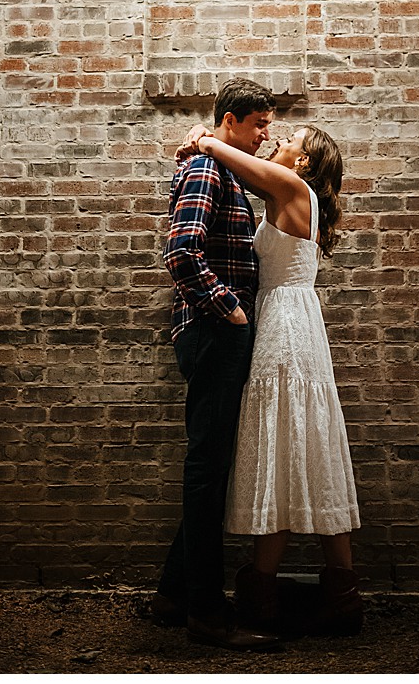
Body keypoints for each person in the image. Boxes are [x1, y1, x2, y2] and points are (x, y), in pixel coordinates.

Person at [178, 119, 364, 638]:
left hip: (285, 323)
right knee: (304, 446)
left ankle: (262, 595)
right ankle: (340, 595)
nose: (278, 143)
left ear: (303, 162)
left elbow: (244, 165)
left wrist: (205, 138)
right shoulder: (292, 194)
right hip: (294, 318)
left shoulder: (291, 186)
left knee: (282, 442)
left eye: (289, 142)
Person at [154, 78, 280, 651]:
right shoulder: (208, 171)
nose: (265, 133)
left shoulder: (222, 168)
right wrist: (229, 309)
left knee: (213, 464)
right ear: (229, 120)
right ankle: (206, 611)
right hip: (212, 331)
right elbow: (181, 250)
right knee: (208, 468)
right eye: (259, 124)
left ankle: (173, 594)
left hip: (216, 332)